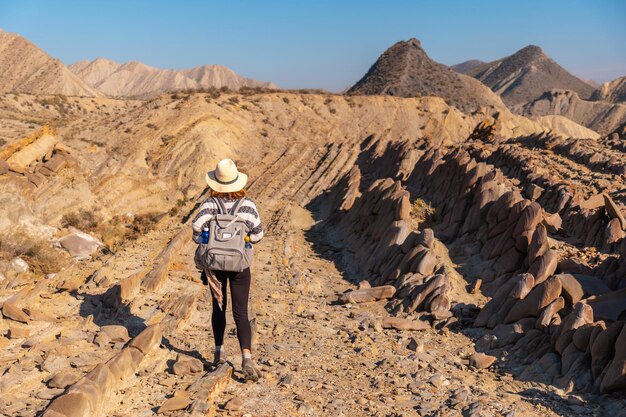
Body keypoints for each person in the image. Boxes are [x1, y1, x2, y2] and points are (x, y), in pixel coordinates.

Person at [191, 158, 263, 381]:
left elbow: (196, 227)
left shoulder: (209, 205)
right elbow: (259, 235)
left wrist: (204, 240)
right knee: (241, 313)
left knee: (218, 308)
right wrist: (245, 238)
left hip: (215, 266)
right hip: (240, 265)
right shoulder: (248, 205)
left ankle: (218, 353)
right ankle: (247, 358)